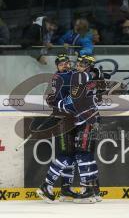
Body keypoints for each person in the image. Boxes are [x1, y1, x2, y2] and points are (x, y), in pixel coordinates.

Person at [37, 54, 103, 203]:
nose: (68, 65)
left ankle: (91, 189)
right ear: (57, 66)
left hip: (83, 119)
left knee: (81, 154)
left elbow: (77, 99)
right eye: (61, 64)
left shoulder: (80, 76)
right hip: (68, 120)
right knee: (72, 154)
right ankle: (80, 189)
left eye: (67, 62)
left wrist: (57, 104)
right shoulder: (65, 77)